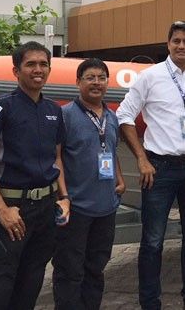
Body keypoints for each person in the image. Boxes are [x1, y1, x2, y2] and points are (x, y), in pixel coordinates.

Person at [117, 21, 185, 310]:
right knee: (152, 240)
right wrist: (141, 159)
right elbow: (124, 116)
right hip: (159, 168)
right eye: (176, 40)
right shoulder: (149, 77)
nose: (181, 46)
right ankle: (150, 303)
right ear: (168, 44)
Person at [0, 41, 70, 310]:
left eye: (43, 64)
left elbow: (57, 157)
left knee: (31, 283)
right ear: (16, 71)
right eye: (30, 64)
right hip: (13, 209)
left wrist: (64, 197)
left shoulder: (54, 110)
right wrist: (1, 209)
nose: (38, 69)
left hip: (46, 210)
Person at [52, 58, 126, 310]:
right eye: (90, 78)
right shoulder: (65, 115)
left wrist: (119, 178)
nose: (97, 83)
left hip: (105, 208)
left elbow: (111, 151)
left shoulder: (112, 117)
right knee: (70, 270)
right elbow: (57, 157)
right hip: (77, 207)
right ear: (77, 82)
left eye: (101, 78)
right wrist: (63, 195)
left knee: (96, 268)